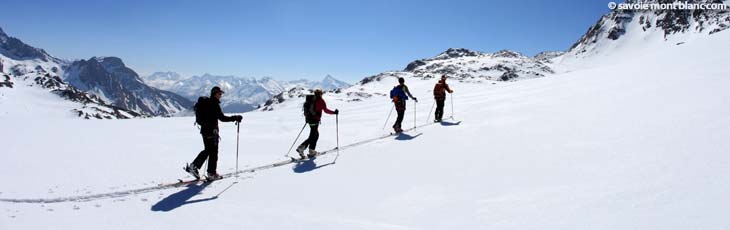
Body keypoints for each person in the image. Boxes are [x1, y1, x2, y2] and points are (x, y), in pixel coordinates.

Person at [185, 86, 242, 180]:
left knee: (208, 150)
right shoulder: (214, 104)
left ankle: (195, 167)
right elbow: (222, 118)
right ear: (214, 93)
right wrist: (235, 118)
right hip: (211, 132)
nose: (220, 95)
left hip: (205, 131)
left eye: (221, 94)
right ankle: (210, 173)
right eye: (219, 94)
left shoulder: (207, 103)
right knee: (213, 152)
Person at [296, 89, 339, 159]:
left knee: (315, 134)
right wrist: (334, 112)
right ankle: (302, 148)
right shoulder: (321, 101)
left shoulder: (311, 99)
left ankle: (311, 150)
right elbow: (326, 110)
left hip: (309, 120)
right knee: (313, 135)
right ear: (321, 94)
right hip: (315, 120)